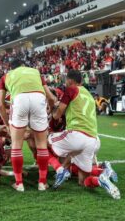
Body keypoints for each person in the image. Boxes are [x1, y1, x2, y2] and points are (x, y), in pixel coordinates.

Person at [49, 70, 120, 199]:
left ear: (70, 81)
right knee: (83, 181)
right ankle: (102, 178)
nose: (65, 83)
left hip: (77, 134)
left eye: (66, 81)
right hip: (93, 139)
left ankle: (60, 171)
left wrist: (53, 110)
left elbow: (57, 115)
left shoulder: (71, 89)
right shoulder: (89, 94)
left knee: (41, 141)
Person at [0, 59, 56, 191]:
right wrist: (49, 110)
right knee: (41, 145)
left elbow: (0, 104)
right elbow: (51, 98)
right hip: (38, 99)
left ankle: (19, 184)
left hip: (19, 100)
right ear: (24, 66)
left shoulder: (6, 76)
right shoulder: (35, 72)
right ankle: (42, 183)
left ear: (10, 68)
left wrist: (7, 124)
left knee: (17, 145)